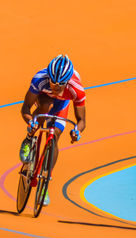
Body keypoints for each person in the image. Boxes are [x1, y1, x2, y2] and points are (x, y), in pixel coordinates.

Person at [19, 54, 86, 205]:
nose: (55, 87)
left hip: (63, 103)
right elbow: (25, 107)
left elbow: (81, 120)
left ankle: (45, 182)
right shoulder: (39, 80)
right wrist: (30, 122)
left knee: (54, 135)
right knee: (46, 106)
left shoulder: (76, 90)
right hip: (44, 98)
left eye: (59, 85)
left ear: (67, 82)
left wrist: (77, 131)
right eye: (52, 82)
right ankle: (29, 139)